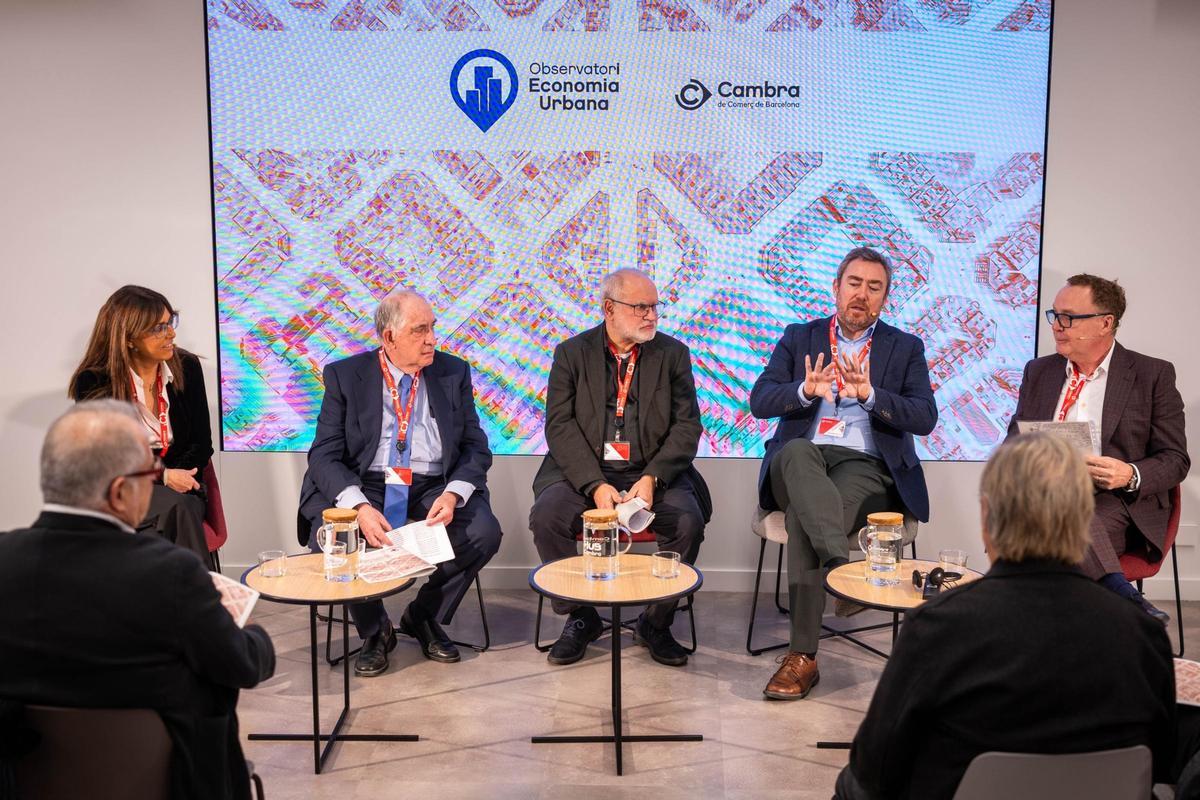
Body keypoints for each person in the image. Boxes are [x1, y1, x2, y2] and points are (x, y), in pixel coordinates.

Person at [834, 433, 1176, 799]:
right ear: (1085, 519)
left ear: (986, 516)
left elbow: (876, 767)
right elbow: (1160, 765)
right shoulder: (1143, 635)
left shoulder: (936, 629)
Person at [0, 401, 275, 800]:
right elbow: (243, 665)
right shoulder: (172, 575)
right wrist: (254, 635)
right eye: (150, 475)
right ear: (120, 491)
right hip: (170, 783)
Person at [750, 246, 937, 700]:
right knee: (794, 451)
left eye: (874, 288)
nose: (862, 295)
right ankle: (841, 571)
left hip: (865, 466)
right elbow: (760, 401)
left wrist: (872, 395)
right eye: (854, 283)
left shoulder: (905, 347)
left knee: (803, 518)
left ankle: (802, 659)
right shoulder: (800, 337)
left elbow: (925, 416)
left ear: (885, 298)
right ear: (836, 287)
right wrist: (803, 390)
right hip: (802, 460)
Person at [297, 289, 501, 677]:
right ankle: (375, 631)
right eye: (419, 331)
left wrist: (454, 494)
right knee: (337, 535)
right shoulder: (345, 376)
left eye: (432, 329)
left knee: (483, 532)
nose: (431, 340)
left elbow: (476, 447)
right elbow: (323, 455)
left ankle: (423, 616)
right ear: (388, 337)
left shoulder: (452, 371)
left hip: (432, 484)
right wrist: (358, 506)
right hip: (367, 482)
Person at [529, 268, 710, 668]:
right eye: (640, 307)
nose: (651, 316)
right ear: (609, 309)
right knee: (547, 517)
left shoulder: (673, 354)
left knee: (687, 522)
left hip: (652, 472)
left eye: (654, 307)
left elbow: (687, 425)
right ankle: (581, 617)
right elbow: (559, 426)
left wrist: (652, 477)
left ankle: (656, 621)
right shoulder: (571, 354)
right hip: (583, 472)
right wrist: (593, 484)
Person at [1008, 274, 1189, 622]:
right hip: (1047, 495)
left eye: (1069, 317)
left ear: (1106, 323)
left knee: (1058, 531)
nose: (1058, 326)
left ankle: (1024, 640)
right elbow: (1013, 441)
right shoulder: (1039, 371)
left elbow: (1175, 460)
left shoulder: (1152, 374)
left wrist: (1129, 473)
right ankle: (1123, 602)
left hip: (1119, 501)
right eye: (1054, 315)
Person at [68, 285, 216, 568]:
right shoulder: (95, 383)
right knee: (172, 514)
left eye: (171, 322)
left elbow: (201, 442)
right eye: (158, 328)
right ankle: (200, 604)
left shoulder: (187, 367)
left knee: (171, 511)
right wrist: (163, 476)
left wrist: (177, 477)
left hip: (183, 487)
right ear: (129, 338)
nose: (171, 333)